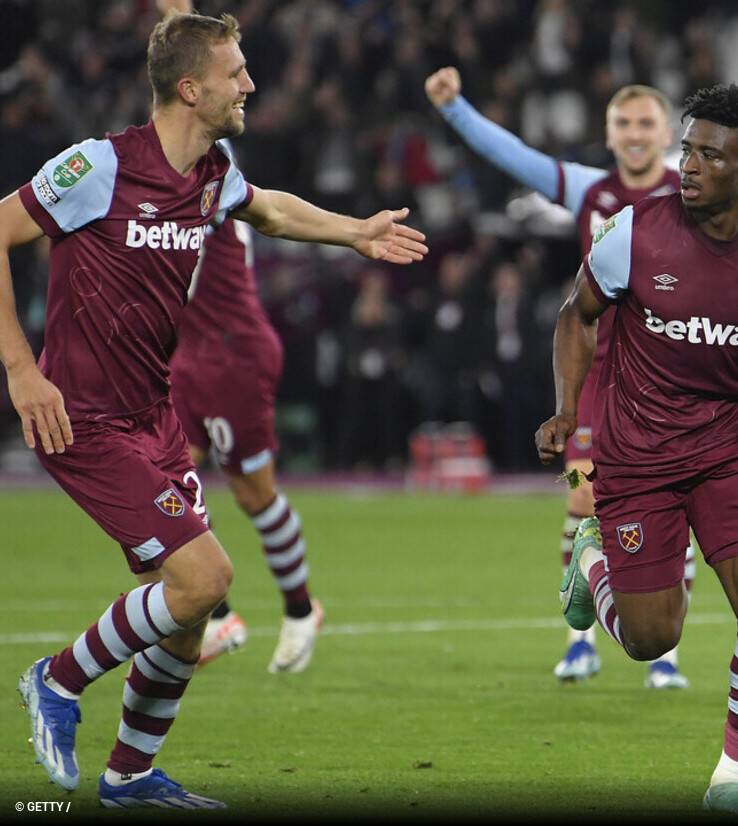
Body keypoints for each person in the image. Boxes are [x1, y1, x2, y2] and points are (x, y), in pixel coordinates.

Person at [2, 9, 427, 808]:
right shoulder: (99, 165)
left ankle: (129, 774)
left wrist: (354, 232)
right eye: (237, 72)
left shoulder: (212, 171)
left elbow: (270, 210)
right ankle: (55, 681)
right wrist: (23, 371)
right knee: (205, 578)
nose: (251, 84)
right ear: (191, 88)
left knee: (188, 616)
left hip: (154, 416)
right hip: (81, 419)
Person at [536, 83, 738, 814]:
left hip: (729, 442)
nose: (692, 165)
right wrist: (564, 411)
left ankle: (731, 782)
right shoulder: (635, 233)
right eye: (689, 149)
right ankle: (591, 558)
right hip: (638, 451)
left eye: (712, 154)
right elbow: (575, 316)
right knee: (651, 641)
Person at [427, 62, 738, 688]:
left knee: (679, 505)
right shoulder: (589, 190)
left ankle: (665, 653)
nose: (635, 132)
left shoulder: (690, 193)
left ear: (664, 129)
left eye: (647, 120)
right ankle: (579, 641)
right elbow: (513, 156)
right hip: (597, 380)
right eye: (623, 122)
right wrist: (455, 108)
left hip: (670, 384)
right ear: (609, 130)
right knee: (579, 494)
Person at [158, 0, 324, 676]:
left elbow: (205, 98)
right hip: (186, 356)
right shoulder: (157, 169)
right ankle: (217, 613)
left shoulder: (212, 164)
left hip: (234, 351)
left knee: (255, 493)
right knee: (171, 482)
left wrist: (182, 21)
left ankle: (300, 607)